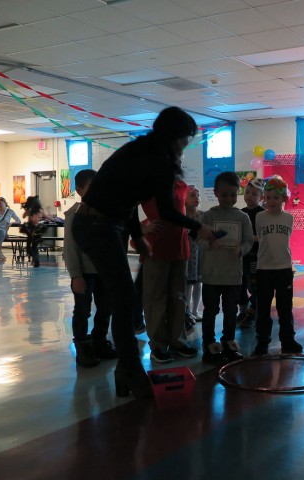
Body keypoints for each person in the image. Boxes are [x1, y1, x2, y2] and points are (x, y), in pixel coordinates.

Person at [72, 106, 215, 398]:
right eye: (184, 139)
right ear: (173, 136)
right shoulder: (155, 160)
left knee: (124, 296)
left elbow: (127, 201)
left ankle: (127, 371)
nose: (185, 145)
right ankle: (129, 371)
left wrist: (138, 237)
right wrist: (200, 228)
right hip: (96, 225)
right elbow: (167, 212)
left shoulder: (143, 152)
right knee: (125, 297)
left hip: (108, 224)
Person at [199, 172, 254, 364]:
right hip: (212, 275)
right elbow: (199, 240)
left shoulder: (242, 217)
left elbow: (249, 241)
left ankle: (228, 341)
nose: (229, 199)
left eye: (232, 194)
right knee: (210, 310)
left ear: (238, 192)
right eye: (224, 195)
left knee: (231, 311)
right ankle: (208, 344)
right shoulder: (208, 216)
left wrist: (241, 249)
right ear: (216, 193)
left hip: (233, 275)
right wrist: (209, 244)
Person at [141, 179, 197, 364]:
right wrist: (142, 229)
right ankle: (158, 345)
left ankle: (177, 341)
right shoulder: (148, 186)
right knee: (156, 299)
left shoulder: (181, 186)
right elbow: (125, 209)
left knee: (178, 298)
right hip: (156, 251)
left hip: (179, 250)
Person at [63, 169, 116, 367]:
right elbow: (70, 248)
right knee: (83, 310)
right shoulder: (75, 215)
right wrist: (76, 275)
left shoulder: (105, 214)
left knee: (106, 307)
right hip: (84, 273)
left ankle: (99, 340)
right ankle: (82, 346)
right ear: (79, 190)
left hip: (104, 271)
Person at [253, 175, 303, 355]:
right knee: (263, 308)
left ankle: (288, 340)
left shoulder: (288, 218)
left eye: (276, 197)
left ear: (284, 198)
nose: (272, 201)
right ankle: (262, 342)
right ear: (264, 198)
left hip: (283, 269)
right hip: (264, 269)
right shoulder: (259, 217)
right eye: (268, 197)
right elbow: (261, 238)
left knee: (285, 307)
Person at [237, 177, 265, 329]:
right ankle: (243, 308)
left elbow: (265, 237)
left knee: (255, 286)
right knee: (239, 284)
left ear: (261, 197)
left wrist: (251, 238)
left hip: (256, 256)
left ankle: (253, 312)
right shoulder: (241, 213)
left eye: (254, 194)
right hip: (242, 256)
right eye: (247, 192)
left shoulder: (263, 214)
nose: (249, 196)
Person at [184, 185, 203, 327]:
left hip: (199, 253)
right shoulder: (182, 216)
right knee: (187, 283)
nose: (197, 198)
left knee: (198, 282)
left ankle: (195, 310)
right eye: (192, 195)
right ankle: (187, 310)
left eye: (198, 195)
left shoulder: (202, 215)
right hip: (186, 253)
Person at [0, 196, 20, 261]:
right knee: (2, 232)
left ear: (5, 203)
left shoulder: (10, 211)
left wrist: (11, 223)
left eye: (0, 203)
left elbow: (18, 220)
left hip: (1, 232)